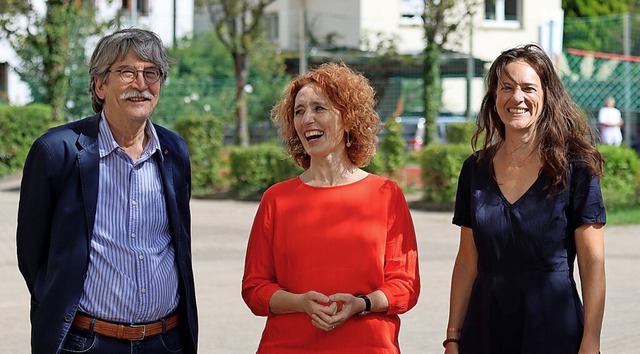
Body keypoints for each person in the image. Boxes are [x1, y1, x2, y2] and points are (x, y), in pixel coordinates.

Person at [16, 28, 198, 353]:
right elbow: (32, 254)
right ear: (100, 85)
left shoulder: (174, 151)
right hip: (87, 343)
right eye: (126, 72)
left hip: (166, 341)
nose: (141, 84)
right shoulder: (57, 152)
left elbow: (177, 242)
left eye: (151, 73)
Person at [241, 62, 420, 353]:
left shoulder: (386, 194)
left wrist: (361, 304)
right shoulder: (276, 199)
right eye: (299, 111)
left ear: (347, 118)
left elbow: (405, 285)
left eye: (319, 108)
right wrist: (299, 303)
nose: (307, 119)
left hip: (368, 346)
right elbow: (254, 288)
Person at [445, 44, 606, 354]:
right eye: (507, 87)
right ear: (494, 96)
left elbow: (592, 261)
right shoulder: (474, 169)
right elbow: (467, 260)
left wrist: (591, 340)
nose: (516, 97)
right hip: (486, 329)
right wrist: (453, 336)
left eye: (528, 88)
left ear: (546, 97)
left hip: (553, 328)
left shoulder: (576, 167)